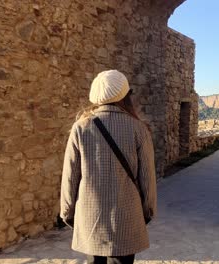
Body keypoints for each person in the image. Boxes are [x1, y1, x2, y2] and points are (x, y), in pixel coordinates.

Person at [60, 70, 157, 264]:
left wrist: (67, 212)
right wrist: (148, 210)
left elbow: (70, 176)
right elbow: (147, 178)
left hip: (90, 215)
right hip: (127, 215)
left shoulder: (81, 127)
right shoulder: (138, 129)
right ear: (125, 96)